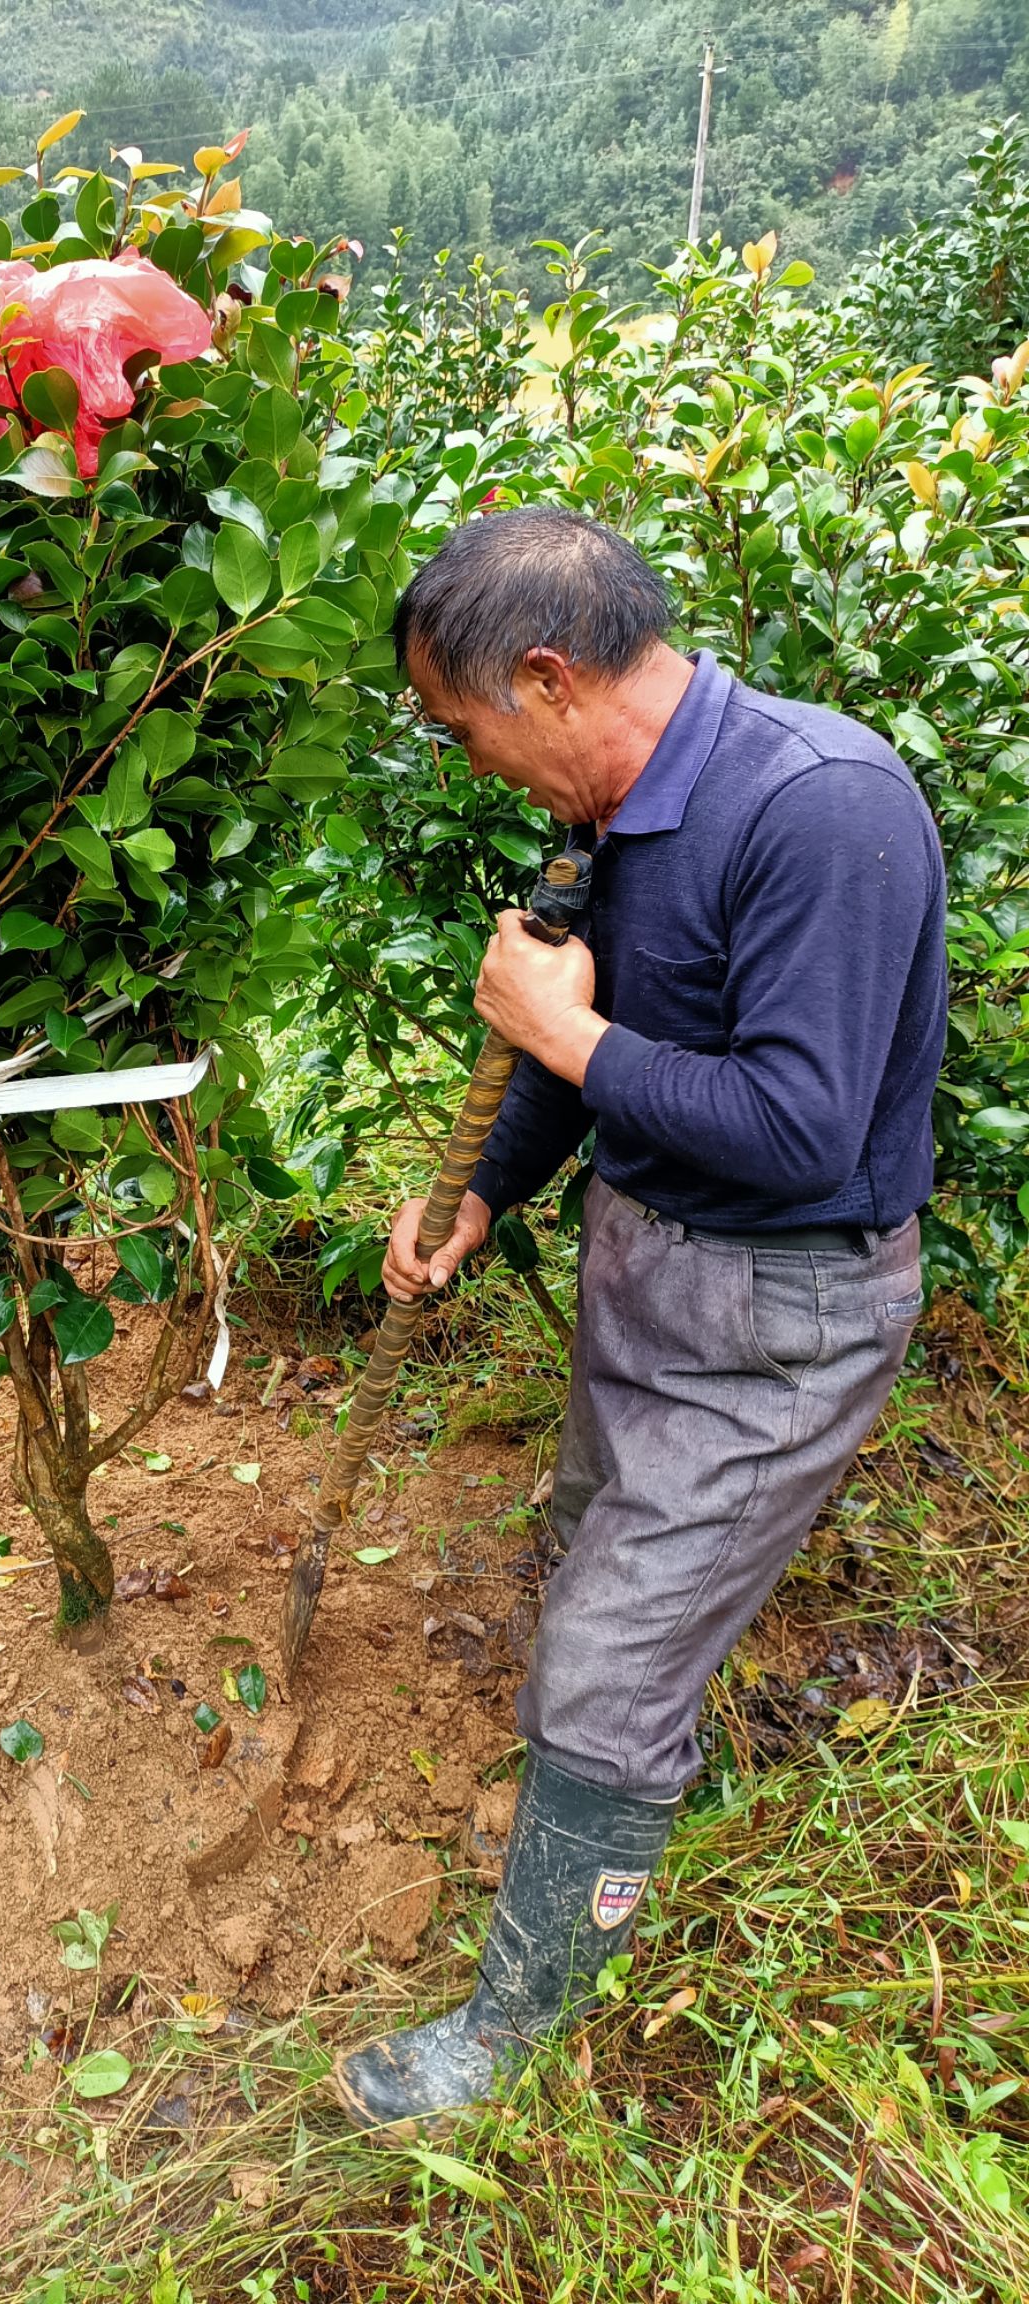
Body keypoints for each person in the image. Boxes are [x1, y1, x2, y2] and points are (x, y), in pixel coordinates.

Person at [333, 506, 945, 2134]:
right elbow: (592, 1038)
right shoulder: (620, 810)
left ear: (546, 677)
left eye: (468, 731)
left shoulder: (821, 811)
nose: (473, 765)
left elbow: (804, 1132)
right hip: (647, 1257)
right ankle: (632, 1774)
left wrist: (566, 1036)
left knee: (602, 1659)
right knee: (600, 1535)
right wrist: (490, 1192)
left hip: (779, 1306)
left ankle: (506, 2044)